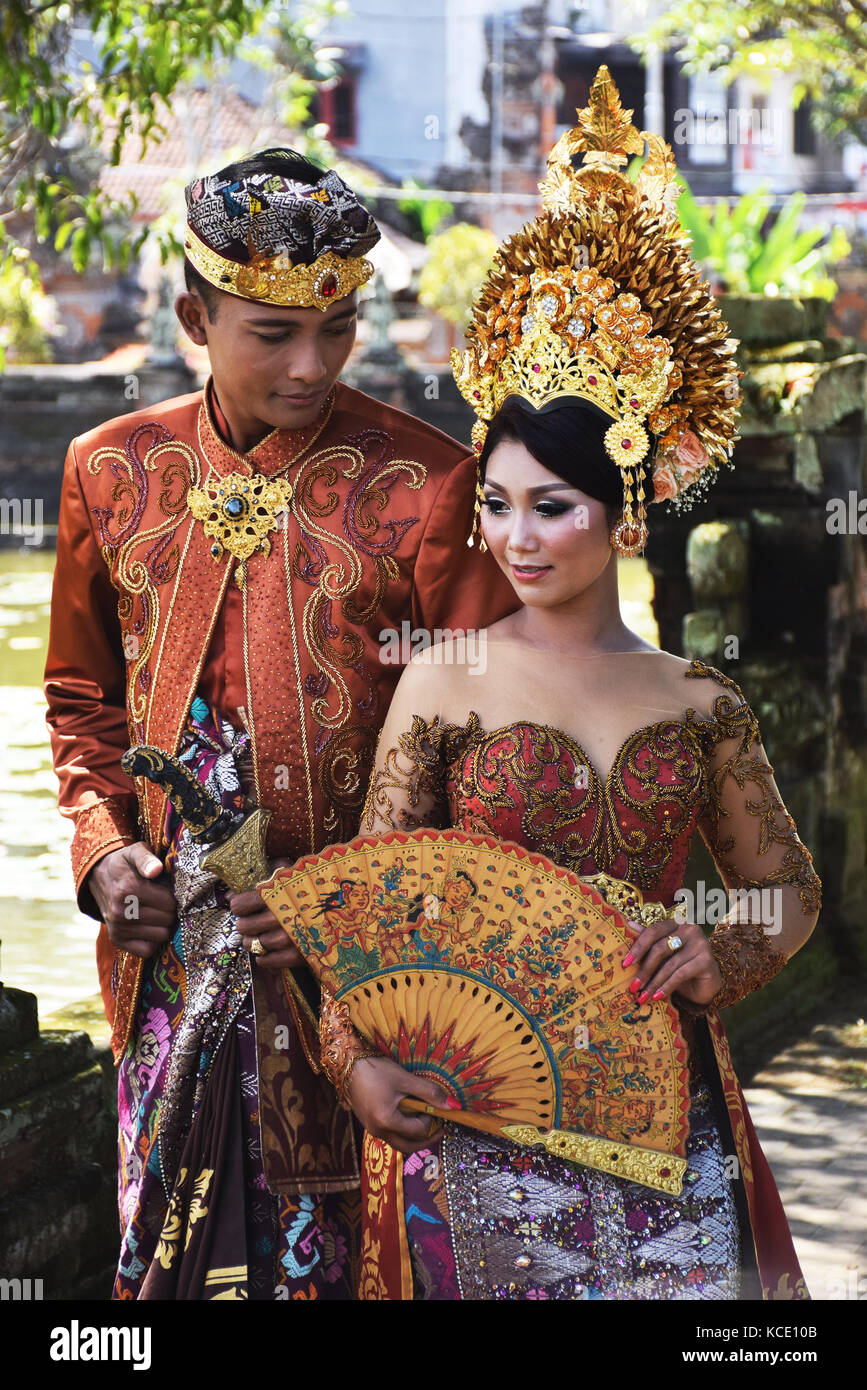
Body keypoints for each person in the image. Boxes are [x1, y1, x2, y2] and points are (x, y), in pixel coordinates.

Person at [319, 68, 822, 1300]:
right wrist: (359, 1069)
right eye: (495, 503)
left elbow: (789, 891)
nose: (516, 536)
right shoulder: (439, 686)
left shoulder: (699, 701)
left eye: (553, 506)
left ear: (627, 512)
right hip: (472, 1129)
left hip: (667, 1125)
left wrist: (718, 952)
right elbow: (367, 922)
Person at [43, 147, 516, 1299]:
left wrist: (363, 915)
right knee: (161, 1276)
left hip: (364, 977)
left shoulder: (429, 486)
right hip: (164, 963)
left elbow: (496, 755)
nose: (313, 365)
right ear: (192, 314)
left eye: (340, 329)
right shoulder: (109, 471)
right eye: (272, 333)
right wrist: (104, 850)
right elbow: (80, 700)